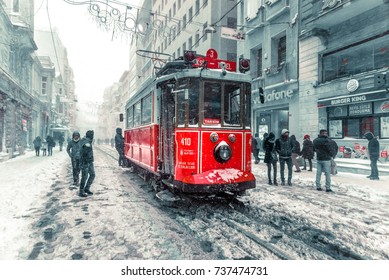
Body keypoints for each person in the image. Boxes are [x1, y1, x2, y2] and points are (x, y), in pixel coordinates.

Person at [79, 130, 95, 197]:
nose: (93, 136)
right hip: (86, 162)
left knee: (92, 175)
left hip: (89, 161)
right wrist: (86, 161)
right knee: (84, 177)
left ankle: (86, 189)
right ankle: (81, 191)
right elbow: (84, 153)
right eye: (92, 135)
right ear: (90, 136)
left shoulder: (87, 141)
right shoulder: (86, 142)